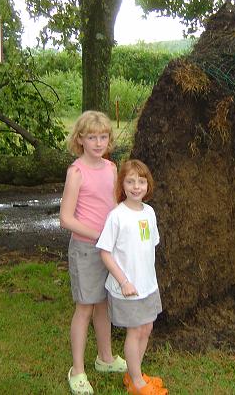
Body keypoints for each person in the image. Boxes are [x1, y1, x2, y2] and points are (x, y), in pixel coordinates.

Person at [60, 111, 127, 395]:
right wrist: (98, 235)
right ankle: (77, 370)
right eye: (91, 137)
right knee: (85, 307)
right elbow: (66, 218)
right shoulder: (76, 172)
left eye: (103, 137)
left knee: (104, 305)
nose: (98, 143)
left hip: (108, 250)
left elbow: (114, 207)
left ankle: (106, 358)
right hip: (86, 249)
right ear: (80, 140)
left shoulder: (112, 169)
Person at [96, 160, 168, 395]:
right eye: (130, 181)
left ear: (148, 184)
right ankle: (137, 383)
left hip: (147, 285)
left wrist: (147, 279)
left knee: (146, 327)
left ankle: (134, 373)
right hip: (126, 287)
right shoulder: (117, 216)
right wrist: (124, 281)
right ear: (122, 185)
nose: (136, 186)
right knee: (135, 331)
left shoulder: (149, 212)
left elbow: (148, 245)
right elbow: (105, 252)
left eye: (141, 181)